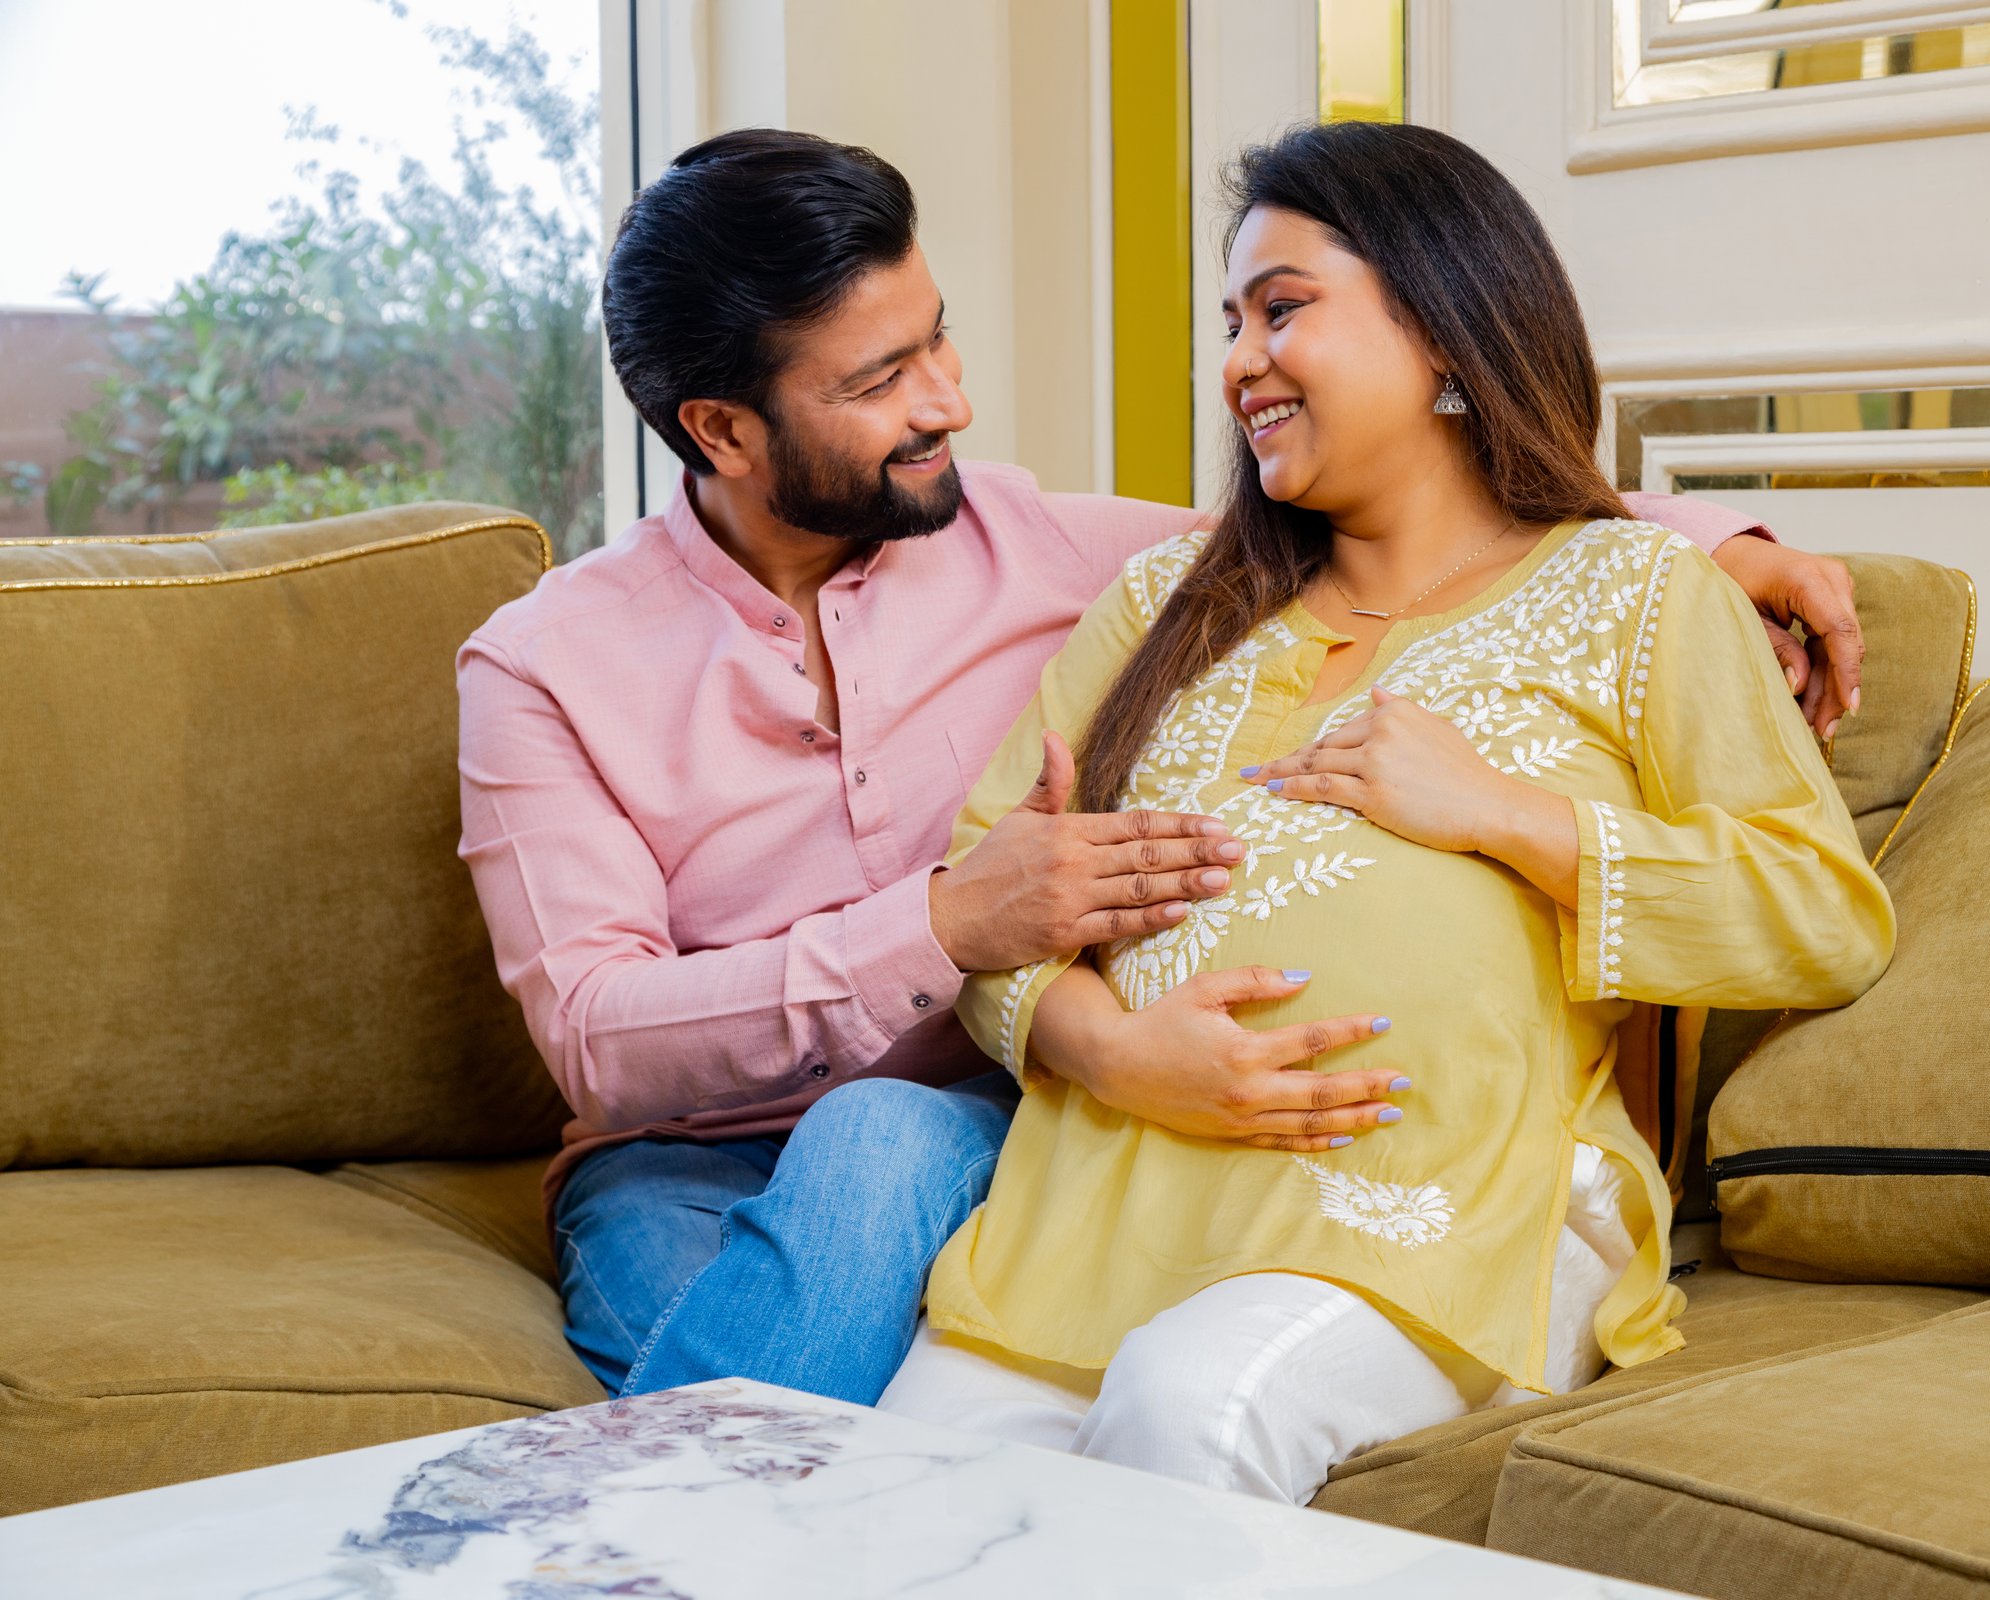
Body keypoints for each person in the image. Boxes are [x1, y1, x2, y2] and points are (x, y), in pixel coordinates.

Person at [455, 128, 1870, 1407]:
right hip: (702, 1159)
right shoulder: (544, 667)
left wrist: (1719, 543)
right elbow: (595, 1030)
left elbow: (1414, 511)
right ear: (724, 430)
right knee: (812, 1306)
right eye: (884, 380)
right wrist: (948, 926)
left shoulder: (1055, 549)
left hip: (985, 1117)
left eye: (937, 340)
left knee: (882, 1147)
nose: (950, 402)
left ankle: (675, 1520)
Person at [875, 121, 1894, 1501]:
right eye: (1232, 321)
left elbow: (1820, 911)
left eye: (1283, 308)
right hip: (1090, 1216)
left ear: (1446, 322)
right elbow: (981, 900)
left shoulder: (1642, 597)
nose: (1238, 360)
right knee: (894, 1508)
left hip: (1452, 1213)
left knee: (1199, 1404)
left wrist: (1504, 817)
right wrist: (1107, 1049)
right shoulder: (1160, 607)